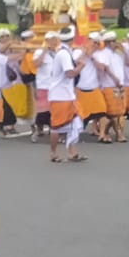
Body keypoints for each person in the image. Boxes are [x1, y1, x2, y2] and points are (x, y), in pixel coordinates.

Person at [40, 29, 86, 162]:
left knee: (74, 121)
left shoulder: (64, 52)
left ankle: (72, 152)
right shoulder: (64, 54)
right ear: (72, 39)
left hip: (67, 95)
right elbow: (69, 74)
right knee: (57, 126)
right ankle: (53, 153)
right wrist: (80, 67)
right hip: (60, 96)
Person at [74, 31, 109, 143]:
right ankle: (73, 135)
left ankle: (102, 134)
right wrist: (85, 53)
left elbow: (102, 68)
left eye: (96, 43)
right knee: (77, 115)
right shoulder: (78, 51)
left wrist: (92, 56)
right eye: (92, 42)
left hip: (94, 87)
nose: (94, 45)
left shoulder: (99, 54)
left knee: (102, 111)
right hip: (80, 88)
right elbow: (74, 62)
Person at [96, 31, 127, 143]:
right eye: (113, 41)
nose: (115, 43)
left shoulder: (118, 54)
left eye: (115, 40)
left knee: (120, 112)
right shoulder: (103, 53)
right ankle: (118, 133)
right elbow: (105, 68)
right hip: (109, 85)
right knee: (113, 112)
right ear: (107, 43)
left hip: (120, 85)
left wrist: (124, 50)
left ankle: (106, 132)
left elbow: (128, 63)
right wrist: (115, 79)